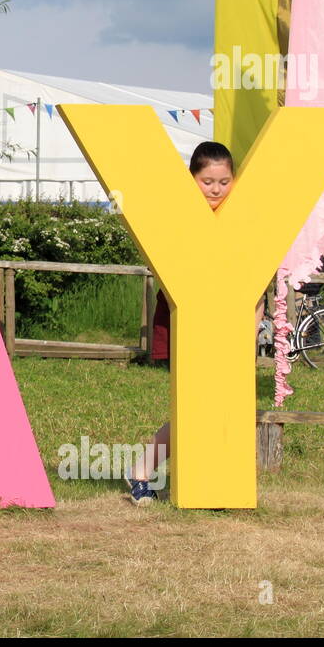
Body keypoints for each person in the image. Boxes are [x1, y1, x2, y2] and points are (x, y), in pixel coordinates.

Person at [126, 140, 264, 505]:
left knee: (220, 406)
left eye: (223, 181)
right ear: (191, 180)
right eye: (207, 182)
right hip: (185, 318)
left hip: (229, 324)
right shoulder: (180, 217)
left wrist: (249, 338)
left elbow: (256, 292)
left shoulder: (247, 218)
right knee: (194, 406)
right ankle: (141, 470)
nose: (216, 190)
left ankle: (215, 480)